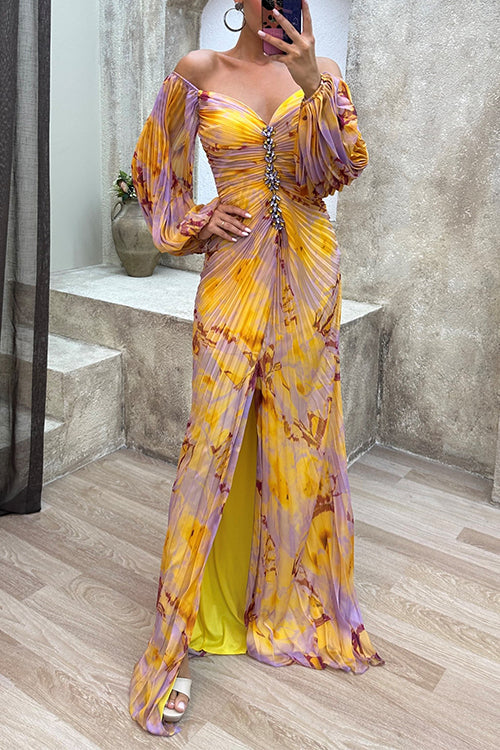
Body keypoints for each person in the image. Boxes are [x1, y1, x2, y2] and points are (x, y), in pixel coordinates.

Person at [129, 0, 385, 737]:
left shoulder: (320, 72)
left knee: (302, 438)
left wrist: (311, 83)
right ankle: (196, 618)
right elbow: (154, 170)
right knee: (214, 439)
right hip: (234, 276)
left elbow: (339, 170)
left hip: (309, 275)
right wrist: (193, 221)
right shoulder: (199, 71)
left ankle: (282, 604)